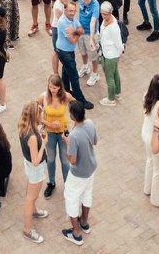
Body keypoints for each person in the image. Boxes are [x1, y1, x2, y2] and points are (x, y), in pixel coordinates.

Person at [61, 100, 98, 245]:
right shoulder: (90, 123)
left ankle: (76, 233)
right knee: (87, 194)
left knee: (70, 198)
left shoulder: (74, 135)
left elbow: (73, 160)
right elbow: (95, 142)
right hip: (91, 168)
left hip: (78, 173)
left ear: (72, 116)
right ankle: (84, 222)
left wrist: (67, 142)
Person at [17, 100, 50, 244]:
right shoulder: (31, 136)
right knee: (30, 198)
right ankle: (28, 229)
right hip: (35, 168)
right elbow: (36, 161)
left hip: (29, 166)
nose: (42, 114)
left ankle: (34, 211)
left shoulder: (24, 126)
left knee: (31, 194)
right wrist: (43, 143)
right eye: (40, 113)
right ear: (34, 116)